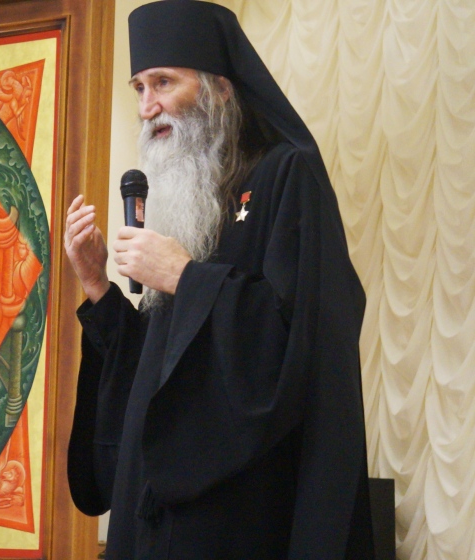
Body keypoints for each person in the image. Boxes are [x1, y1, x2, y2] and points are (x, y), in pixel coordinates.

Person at [64, 1, 373, 558]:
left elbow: (301, 344)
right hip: (153, 515)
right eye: (138, 88)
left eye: (163, 82)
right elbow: (161, 370)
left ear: (220, 89)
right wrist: (99, 290)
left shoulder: (285, 174)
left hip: (238, 516)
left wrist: (186, 278)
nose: (147, 106)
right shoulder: (186, 195)